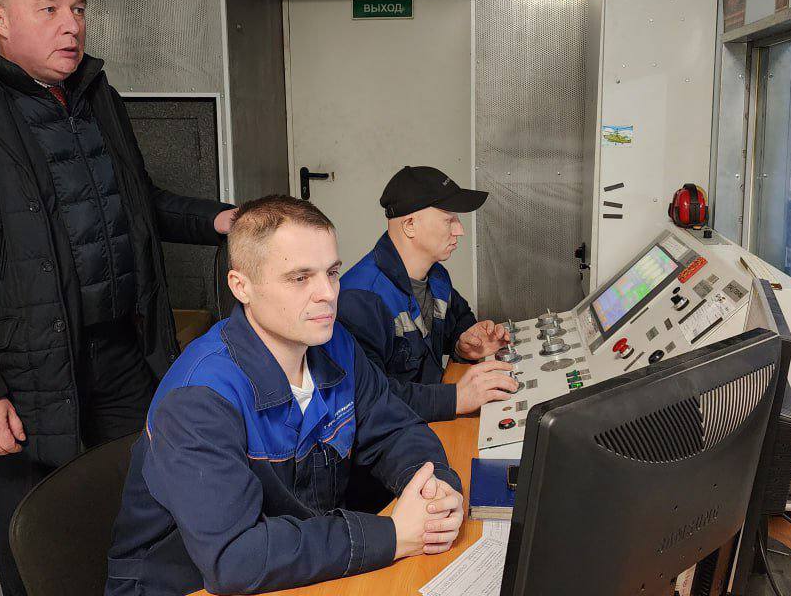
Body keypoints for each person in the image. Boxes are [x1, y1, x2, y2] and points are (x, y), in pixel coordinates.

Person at [0, 0, 235, 596]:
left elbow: (140, 204)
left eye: (78, 8)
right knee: (41, 545)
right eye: (49, 9)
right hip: (24, 378)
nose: (72, 24)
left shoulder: (98, 101)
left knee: (146, 514)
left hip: (124, 356)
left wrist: (224, 220)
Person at [107, 195, 465, 595]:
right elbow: (235, 558)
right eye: (300, 278)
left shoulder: (335, 344)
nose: (327, 293)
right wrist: (392, 535)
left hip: (290, 570)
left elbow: (396, 429)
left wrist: (437, 489)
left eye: (332, 272)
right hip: (185, 587)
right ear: (241, 286)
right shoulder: (199, 398)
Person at [338, 166, 517, 424]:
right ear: (410, 225)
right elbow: (371, 399)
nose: (460, 230)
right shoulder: (360, 300)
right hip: (390, 435)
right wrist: (454, 398)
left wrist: (465, 343)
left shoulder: (436, 275)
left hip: (426, 417)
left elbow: (459, 318)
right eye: (449, 220)